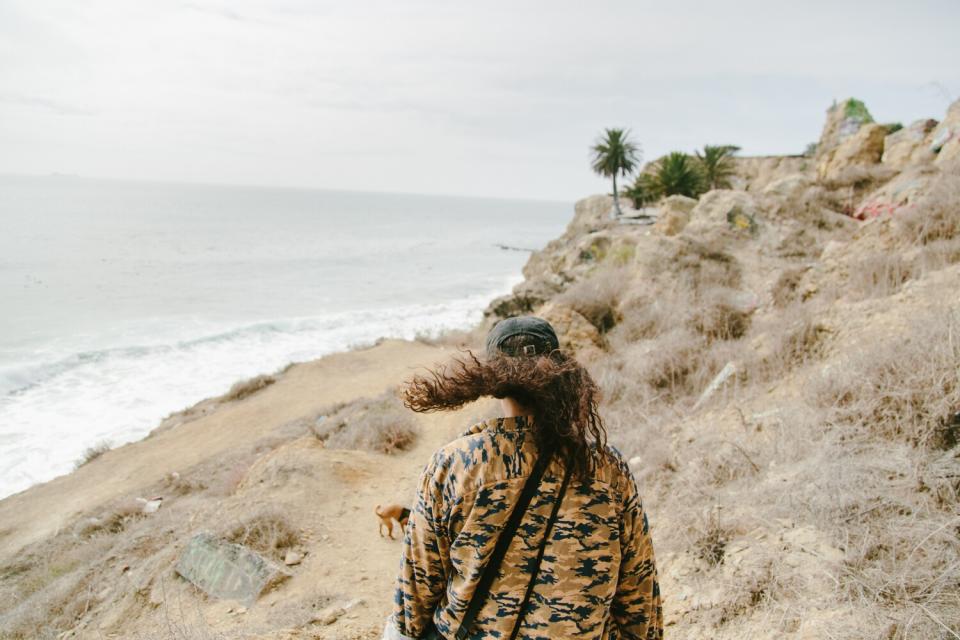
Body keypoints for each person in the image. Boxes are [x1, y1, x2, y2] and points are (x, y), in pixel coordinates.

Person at [383, 316, 662, 640]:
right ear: (557, 372)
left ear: (493, 381)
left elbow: (412, 603)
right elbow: (640, 599)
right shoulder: (607, 469)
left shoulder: (454, 465)